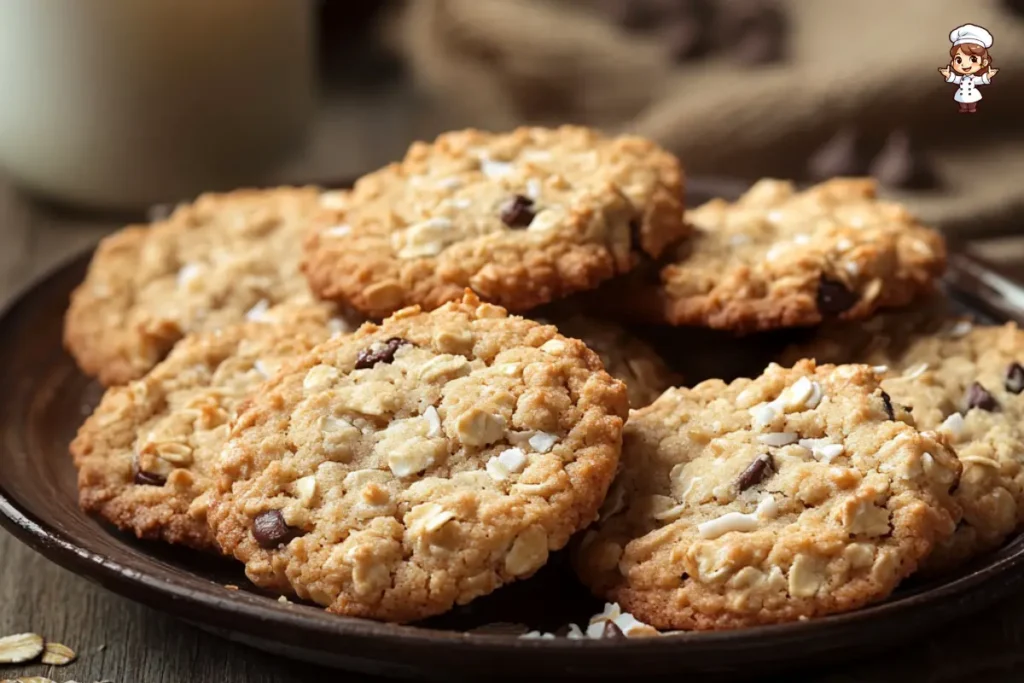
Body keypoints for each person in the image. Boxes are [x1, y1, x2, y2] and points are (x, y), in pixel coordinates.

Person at [939, 24, 999, 113]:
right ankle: (963, 108)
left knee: (972, 103)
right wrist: (948, 75)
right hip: (962, 94)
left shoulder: (974, 79)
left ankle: (972, 108)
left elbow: (980, 80)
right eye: (959, 60)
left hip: (972, 95)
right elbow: (955, 79)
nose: (965, 65)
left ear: (984, 62)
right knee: (962, 102)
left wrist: (988, 76)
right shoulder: (961, 78)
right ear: (952, 62)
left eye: (973, 59)